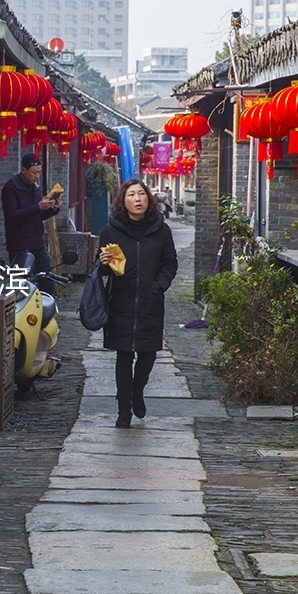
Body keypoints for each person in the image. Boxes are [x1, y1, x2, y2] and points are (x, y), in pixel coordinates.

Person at [98, 179, 178, 428]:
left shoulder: (160, 229)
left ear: (148, 199)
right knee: (124, 356)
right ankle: (124, 411)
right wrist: (102, 262)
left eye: (141, 194)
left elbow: (170, 264)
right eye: (131, 195)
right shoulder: (110, 231)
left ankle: (137, 391)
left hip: (150, 301)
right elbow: (104, 270)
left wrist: (158, 287)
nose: (137, 199)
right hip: (120, 300)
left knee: (148, 354)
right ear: (123, 201)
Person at [1, 152, 61, 295]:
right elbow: (11, 217)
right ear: (23, 170)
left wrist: (53, 209)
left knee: (48, 284)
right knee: (19, 288)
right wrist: (38, 207)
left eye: (39, 172)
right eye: (34, 172)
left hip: (38, 245)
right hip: (19, 246)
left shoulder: (35, 187)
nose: (37, 176)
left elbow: (37, 216)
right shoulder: (10, 188)